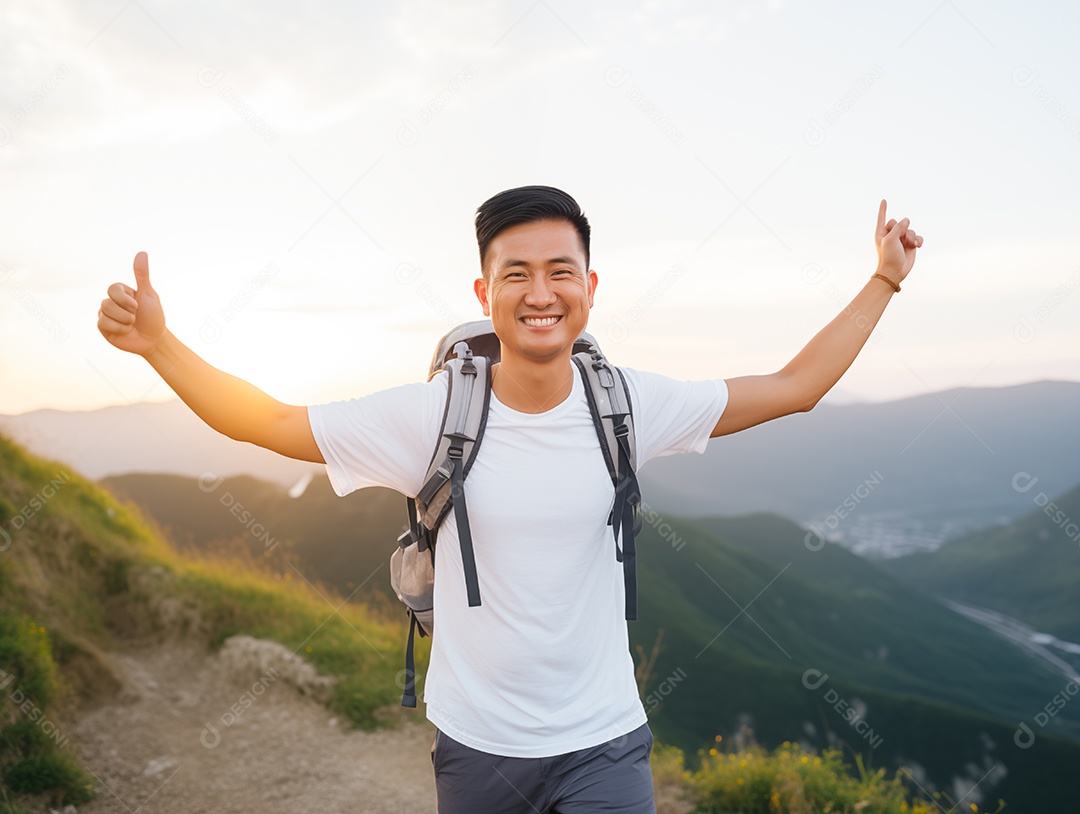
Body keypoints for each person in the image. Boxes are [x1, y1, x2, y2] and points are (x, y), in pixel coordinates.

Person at [97, 185, 922, 813]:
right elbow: (269, 421)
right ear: (484, 292)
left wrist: (884, 280)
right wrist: (160, 346)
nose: (540, 292)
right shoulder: (433, 415)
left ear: (590, 287)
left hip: (604, 741)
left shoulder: (626, 404)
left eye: (560, 271)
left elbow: (795, 386)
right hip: (477, 745)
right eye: (515, 273)